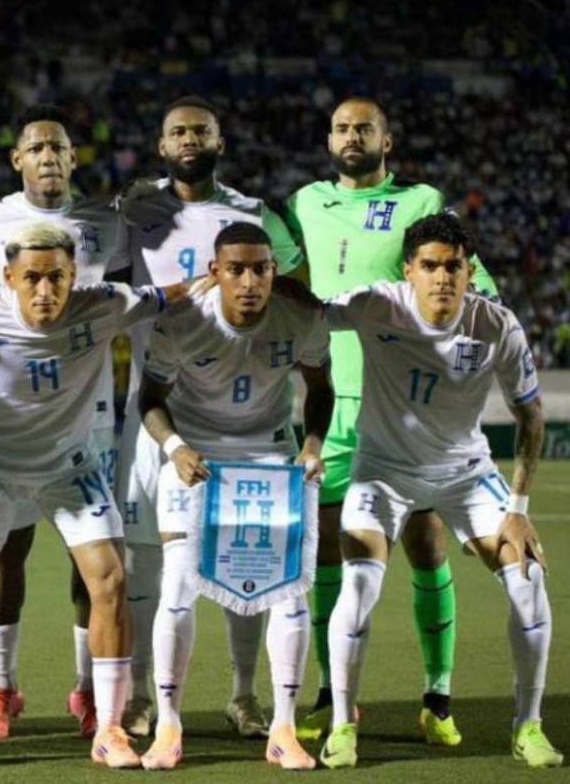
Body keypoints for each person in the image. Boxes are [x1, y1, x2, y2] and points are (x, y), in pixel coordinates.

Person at [283, 97, 498, 743]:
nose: (353, 136)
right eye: (343, 128)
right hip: (331, 405)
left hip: (404, 412)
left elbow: (472, 283)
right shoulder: (304, 203)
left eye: (365, 128)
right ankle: (330, 695)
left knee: (426, 546)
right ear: (329, 139)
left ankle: (438, 698)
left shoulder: (420, 199)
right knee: (327, 553)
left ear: (387, 139)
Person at [0, 222, 189, 770]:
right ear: (9, 277)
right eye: (33, 278)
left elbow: (168, 295)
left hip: (70, 469)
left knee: (111, 577)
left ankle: (111, 728)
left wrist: (220, 278)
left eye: (57, 277)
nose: (46, 290)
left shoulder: (103, 304)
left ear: (74, 275)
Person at [318, 214, 560, 770]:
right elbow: (305, 313)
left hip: (465, 474)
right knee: (357, 585)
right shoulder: (377, 305)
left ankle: (528, 726)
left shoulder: (496, 325)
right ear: (409, 271)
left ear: (470, 271)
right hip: (382, 469)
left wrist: (518, 511)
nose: (442, 277)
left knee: (528, 578)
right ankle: (341, 727)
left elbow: (532, 417)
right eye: (429, 265)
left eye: (454, 266)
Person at [117, 95, 303, 737]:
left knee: (244, 560)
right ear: (161, 145)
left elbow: (295, 288)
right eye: (177, 131)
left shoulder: (252, 213)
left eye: (201, 129)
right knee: (145, 560)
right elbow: (110, 288)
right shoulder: (135, 210)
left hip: (239, 410)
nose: (189, 138)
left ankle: (244, 694)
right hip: (157, 409)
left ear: (220, 141)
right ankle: (141, 695)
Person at [0, 104, 129, 739]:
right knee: (6, 555)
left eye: (59, 146)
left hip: (92, 414)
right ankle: (2, 688)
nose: (48, 155)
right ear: (16, 159)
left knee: (95, 566)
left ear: (74, 157)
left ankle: (87, 691)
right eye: (36, 147)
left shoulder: (107, 223)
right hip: (12, 419)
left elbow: (128, 305)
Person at [137, 222, 333, 771]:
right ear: (215, 272)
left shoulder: (303, 315)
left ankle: (284, 727)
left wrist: (313, 444)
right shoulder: (181, 322)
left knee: (287, 591)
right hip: (194, 456)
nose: (249, 281)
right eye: (237, 269)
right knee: (176, 584)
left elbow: (321, 389)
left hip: (270, 455)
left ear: (275, 272)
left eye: (261, 269)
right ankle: (169, 725)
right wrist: (174, 447)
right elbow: (150, 398)